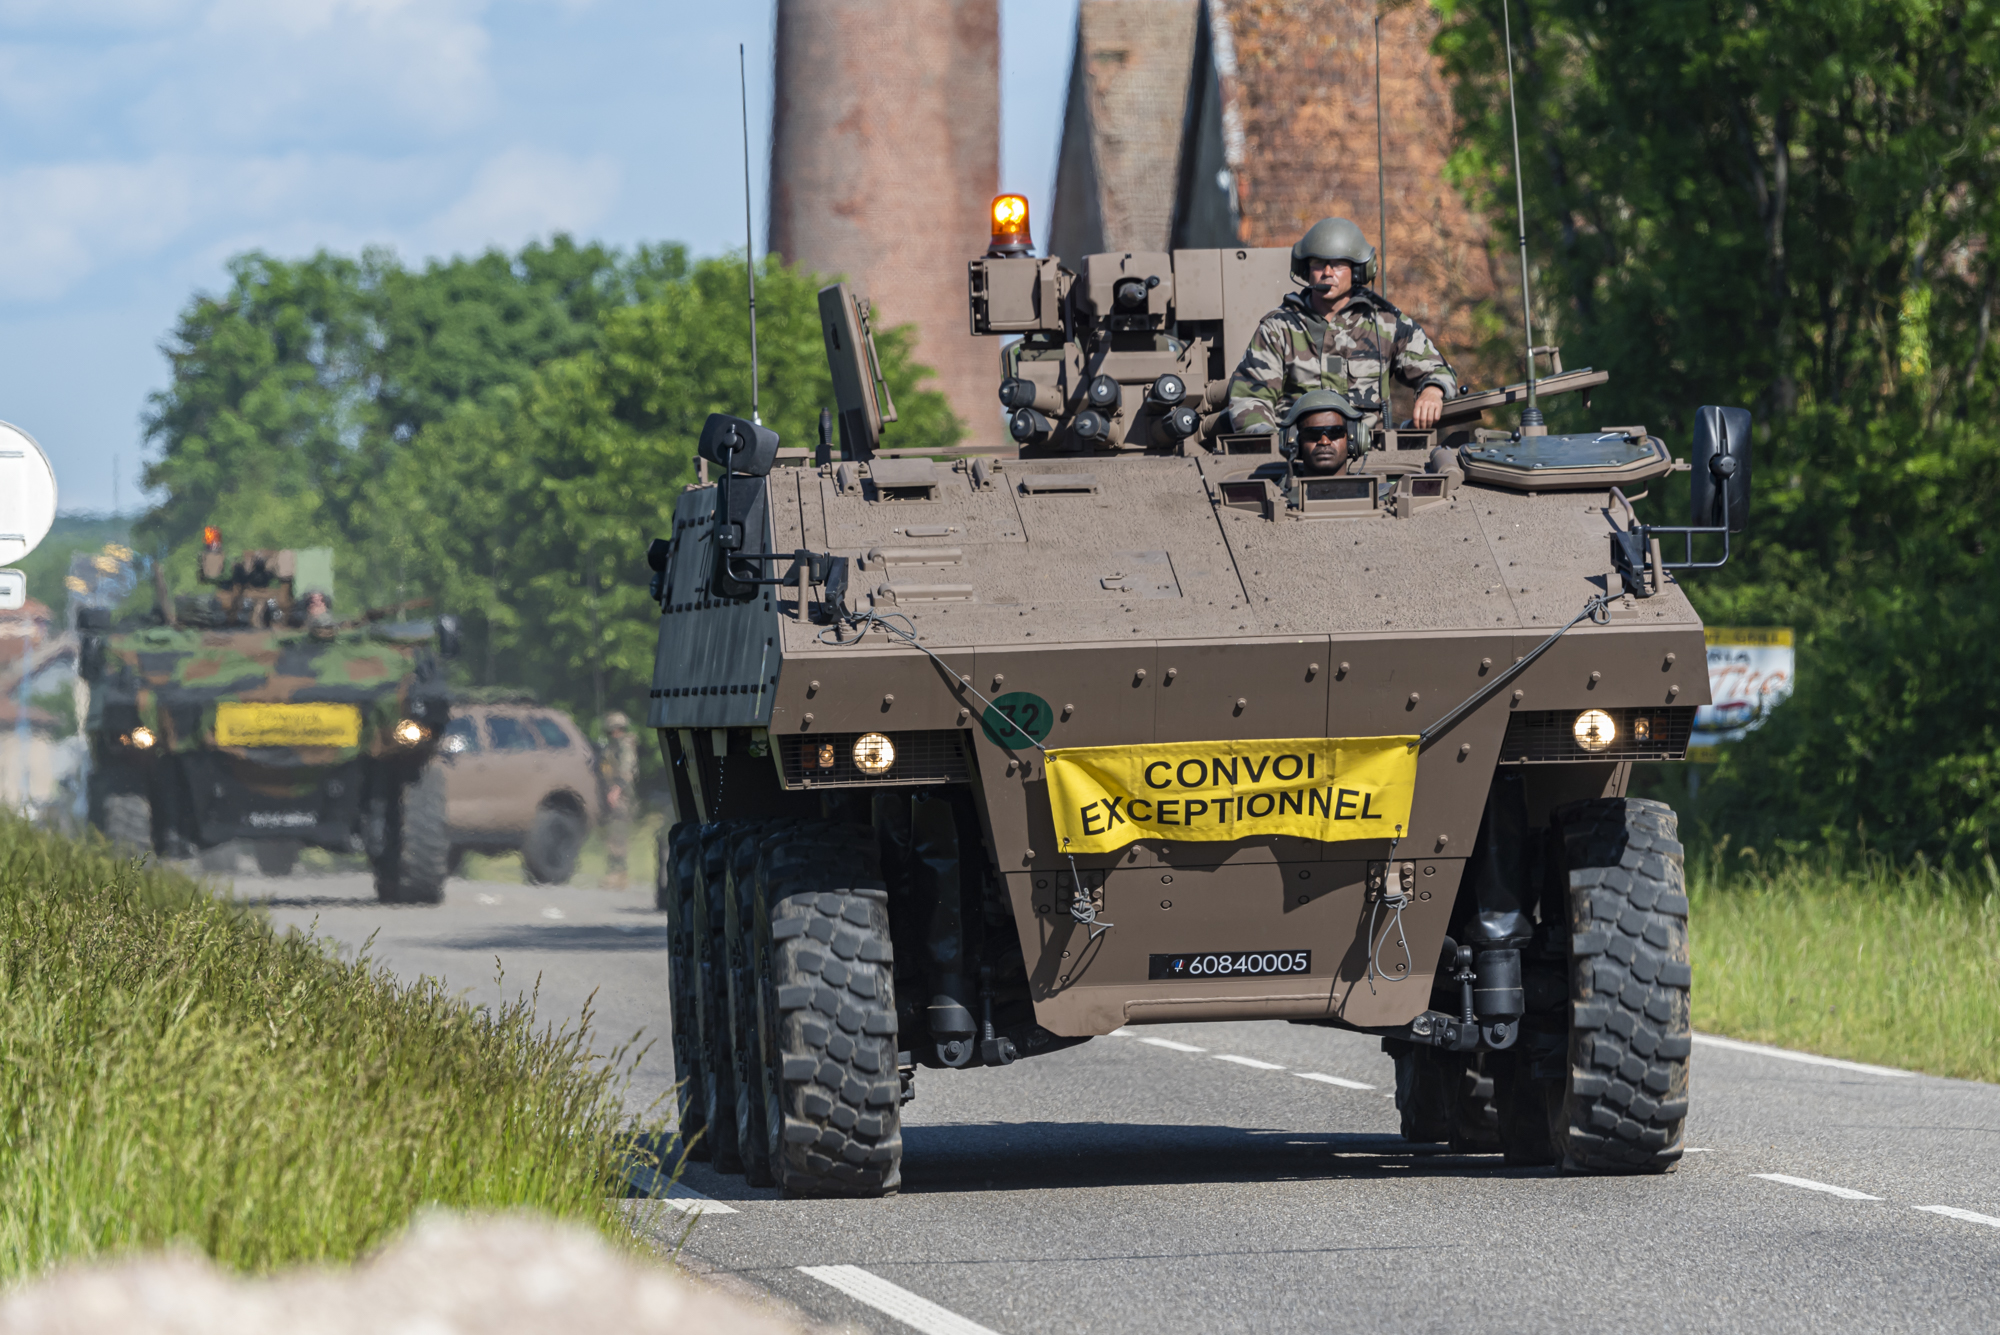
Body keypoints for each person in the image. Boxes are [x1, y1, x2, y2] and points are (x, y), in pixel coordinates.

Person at [1227, 217, 1458, 438]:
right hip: (1296, 460)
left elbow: (1438, 370)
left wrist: (1432, 391)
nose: (1327, 272)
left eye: (1337, 263)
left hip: (1372, 461)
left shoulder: (1386, 324)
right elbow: (1249, 397)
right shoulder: (1279, 329)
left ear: (1358, 270)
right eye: (1318, 263)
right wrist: (1273, 447)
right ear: (1305, 269)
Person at [1282, 389, 1367, 475]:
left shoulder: (1374, 487)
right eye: (1312, 433)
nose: (1324, 442)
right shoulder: (1274, 488)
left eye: (1335, 432)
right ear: (1296, 440)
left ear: (1352, 438)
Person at [598, 711, 638, 890]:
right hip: (615, 796)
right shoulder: (613, 747)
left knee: (618, 835)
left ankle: (619, 874)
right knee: (613, 835)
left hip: (622, 798)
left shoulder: (625, 747)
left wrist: (615, 791)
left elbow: (625, 772)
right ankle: (616, 873)